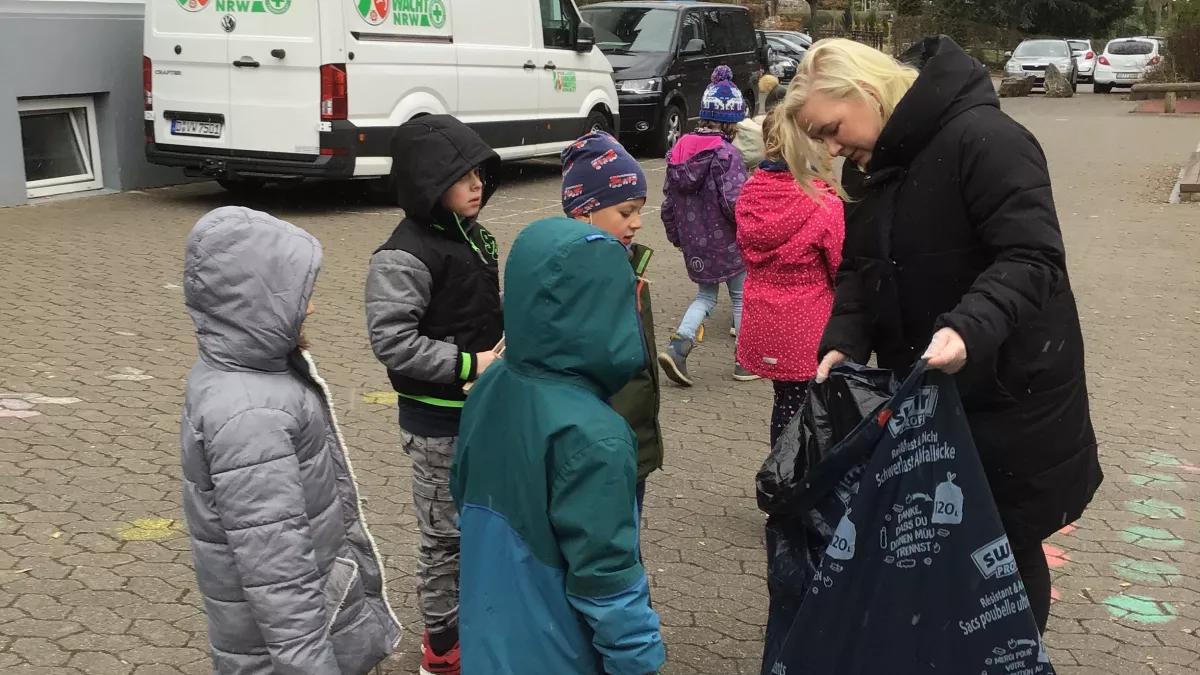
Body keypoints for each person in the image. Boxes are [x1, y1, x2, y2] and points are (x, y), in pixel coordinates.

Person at [778, 36, 1103, 632]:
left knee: (1005, 544)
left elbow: (1033, 257)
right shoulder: (876, 167)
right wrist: (844, 337)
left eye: (830, 128)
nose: (831, 146)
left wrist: (966, 327)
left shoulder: (987, 140)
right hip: (931, 390)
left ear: (867, 91)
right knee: (943, 541)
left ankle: (1010, 657)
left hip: (1008, 393)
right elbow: (859, 269)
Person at [180, 207, 401, 674]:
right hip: (295, 652)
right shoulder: (251, 415)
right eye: (302, 294)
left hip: (312, 625)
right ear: (257, 304)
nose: (314, 306)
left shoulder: (249, 377)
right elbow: (278, 575)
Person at [451, 216, 666, 674]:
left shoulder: (492, 388)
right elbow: (607, 579)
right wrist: (638, 662)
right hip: (556, 655)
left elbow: (460, 491)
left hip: (489, 638)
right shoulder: (594, 435)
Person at [365, 115, 504, 674]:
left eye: (478, 173)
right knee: (445, 537)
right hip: (436, 425)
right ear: (426, 182)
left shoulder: (474, 235)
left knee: (485, 527)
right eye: (460, 175)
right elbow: (393, 341)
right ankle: (442, 649)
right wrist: (471, 363)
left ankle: (480, 621)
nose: (476, 184)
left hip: (483, 414)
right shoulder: (403, 255)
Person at [560, 131, 663, 514]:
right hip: (597, 449)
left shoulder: (627, 262)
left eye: (639, 210)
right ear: (583, 210)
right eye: (625, 212)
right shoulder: (574, 275)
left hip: (631, 440)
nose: (637, 223)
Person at [735, 111, 846, 448]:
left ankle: (781, 477)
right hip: (808, 327)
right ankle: (793, 485)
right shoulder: (824, 204)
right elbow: (840, 268)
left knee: (784, 402)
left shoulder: (750, 193)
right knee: (809, 413)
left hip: (762, 319)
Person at [658, 65, 753, 385]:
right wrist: (750, 230)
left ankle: (679, 347)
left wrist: (675, 234)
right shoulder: (727, 155)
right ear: (730, 122)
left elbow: (668, 200)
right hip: (728, 241)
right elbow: (734, 202)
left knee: (706, 296)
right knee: (740, 297)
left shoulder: (678, 150)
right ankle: (744, 361)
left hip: (694, 242)